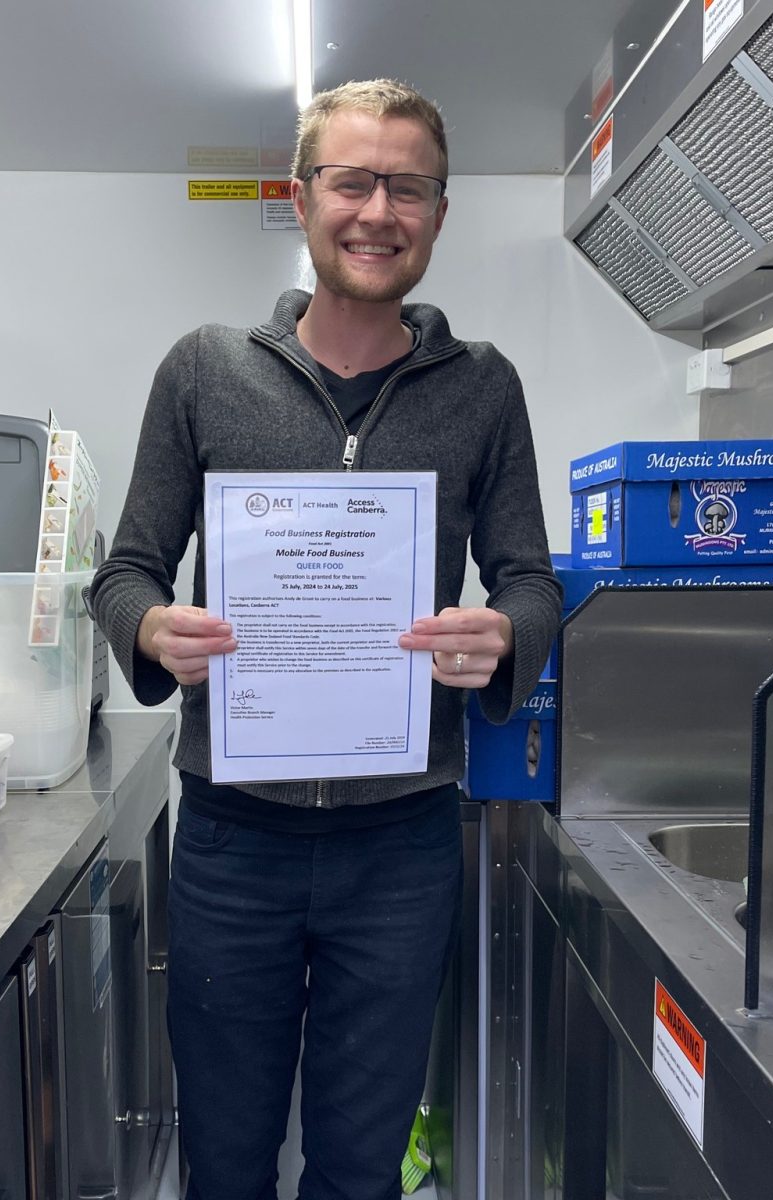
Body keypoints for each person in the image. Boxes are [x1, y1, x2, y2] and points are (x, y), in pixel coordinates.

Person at [90, 78, 561, 1200]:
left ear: (440, 213)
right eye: (352, 181)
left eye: (409, 187)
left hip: (399, 846)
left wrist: (502, 636)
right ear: (303, 200)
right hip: (231, 842)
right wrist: (154, 628)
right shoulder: (204, 370)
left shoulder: (483, 390)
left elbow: (533, 582)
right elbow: (124, 574)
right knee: (228, 1160)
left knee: (359, 1167)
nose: (378, 211)